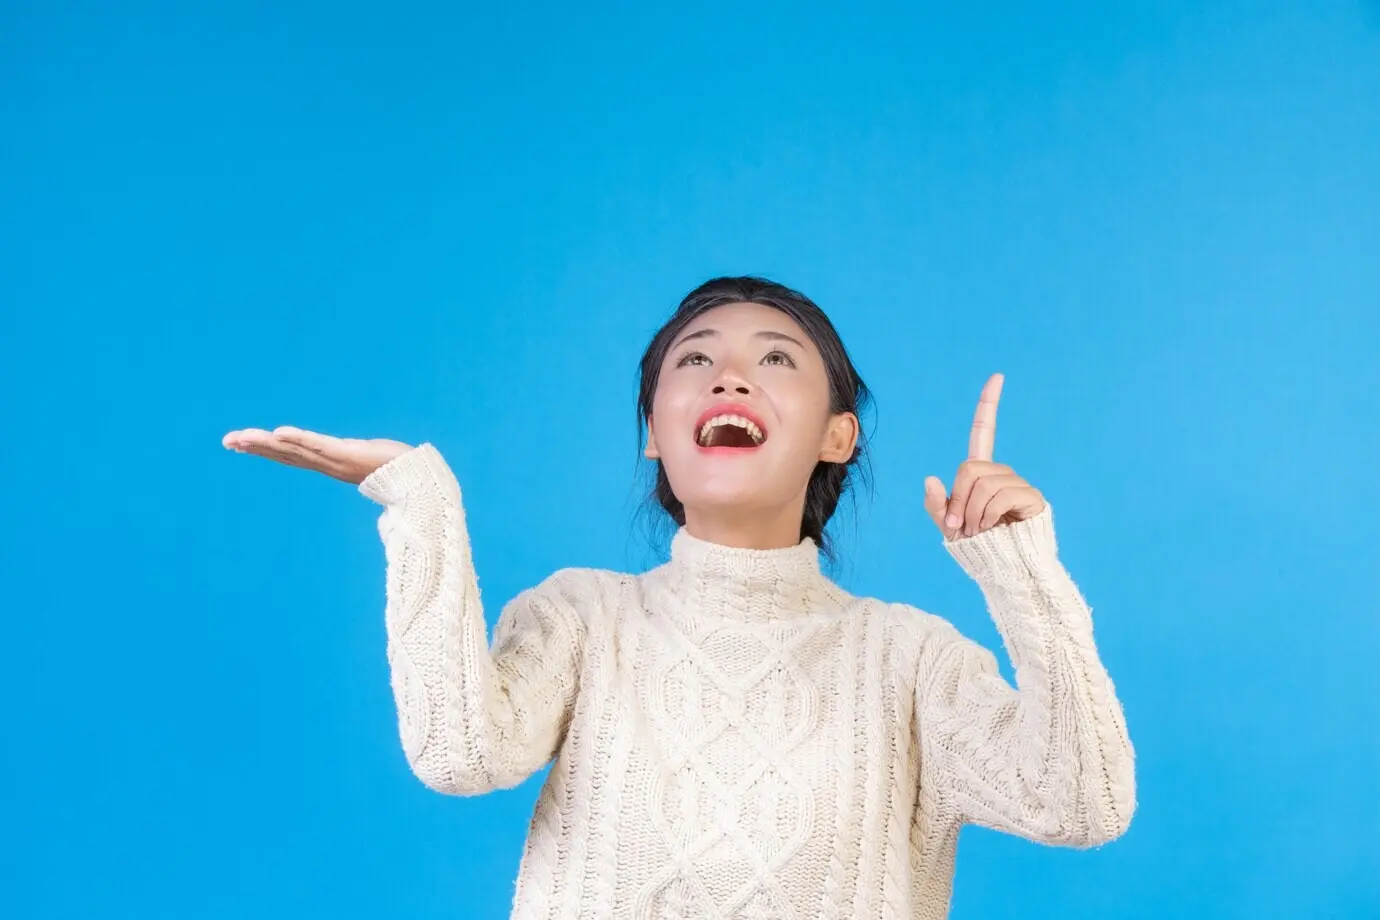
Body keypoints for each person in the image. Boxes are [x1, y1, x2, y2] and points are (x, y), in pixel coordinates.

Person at [223, 276, 1135, 919]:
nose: (729, 376)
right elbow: (459, 753)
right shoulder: (583, 617)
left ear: (837, 435)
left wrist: (1020, 572)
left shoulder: (910, 660)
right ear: (656, 432)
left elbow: (1083, 804)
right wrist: (422, 505)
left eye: (776, 360)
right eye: (694, 362)